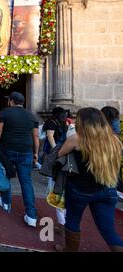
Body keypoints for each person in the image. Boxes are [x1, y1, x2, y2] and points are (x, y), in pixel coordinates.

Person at [56, 107, 123, 252]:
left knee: (72, 221)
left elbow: (60, 154)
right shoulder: (114, 140)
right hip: (108, 188)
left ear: (82, 122)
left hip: (80, 189)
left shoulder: (77, 138)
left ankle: (69, 250)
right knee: (109, 230)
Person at [0, 92, 39, 227]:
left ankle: (6, 203)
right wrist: (36, 153)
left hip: (7, 150)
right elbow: (35, 137)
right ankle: (31, 215)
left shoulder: (5, 113)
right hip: (26, 151)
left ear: (11, 101)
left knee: (5, 176)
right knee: (26, 182)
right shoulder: (31, 115)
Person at [42, 107, 68, 231]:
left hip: (60, 154)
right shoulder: (52, 122)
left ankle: (63, 223)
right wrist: (56, 151)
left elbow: (52, 136)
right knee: (57, 185)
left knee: (56, 187)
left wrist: (57, 151)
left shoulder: (62, 122)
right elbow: (50, 136)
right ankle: (64, 221)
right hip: (59, 154)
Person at [101, 106, 123, 201]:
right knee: (114, 169)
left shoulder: (108, 121)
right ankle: (114, 190)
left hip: (109, 146)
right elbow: (117, 133)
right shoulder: (115, 120)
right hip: (116, 146)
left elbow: (115, 133)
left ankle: (112, 189)